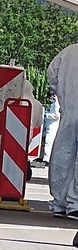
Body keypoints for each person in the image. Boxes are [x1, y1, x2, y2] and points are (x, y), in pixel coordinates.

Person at [46, 43, 78, 219]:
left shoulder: (68, 52)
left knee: (63, 155)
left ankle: (59, 201)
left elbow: (52, 74)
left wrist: (60, 93)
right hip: (71, 107)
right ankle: (75, 203)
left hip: (68, 109)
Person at [41, 91, 60, 163]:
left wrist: (46, 115)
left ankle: (47, 159)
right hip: (51, 126)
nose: (50, 98)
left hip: (53, 126)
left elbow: (56, 116)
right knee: (49, 142)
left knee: (49, 142)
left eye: (50, 96)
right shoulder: (54, 103)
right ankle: (47, 158)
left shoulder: (56, 104)